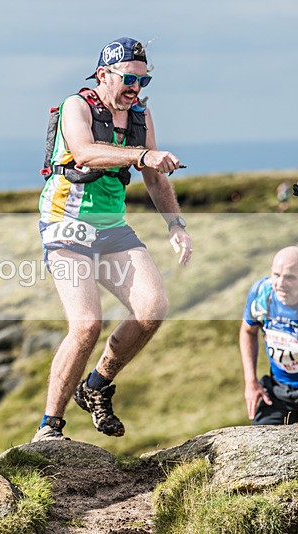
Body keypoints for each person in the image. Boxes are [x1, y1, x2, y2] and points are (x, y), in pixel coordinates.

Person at [33, 37, 192, 442]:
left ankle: (96, 386)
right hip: (65, 224)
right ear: (103, 74)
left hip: (110, 227)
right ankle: (49, 427)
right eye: (128, 79)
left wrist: (176, 226)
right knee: (86, 324)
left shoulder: (140, 114)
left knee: (152, 309)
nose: (136, 89)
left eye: (143, 80)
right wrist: (141, 157)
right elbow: (84, 153)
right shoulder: (77, 105)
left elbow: (155, 177)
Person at [240, 246, 298, 425]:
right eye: (276, 274)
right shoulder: (262, 294)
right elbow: (248, 331)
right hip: (277, 392)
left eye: (289, 277)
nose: (280, 283)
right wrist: (251, 381)